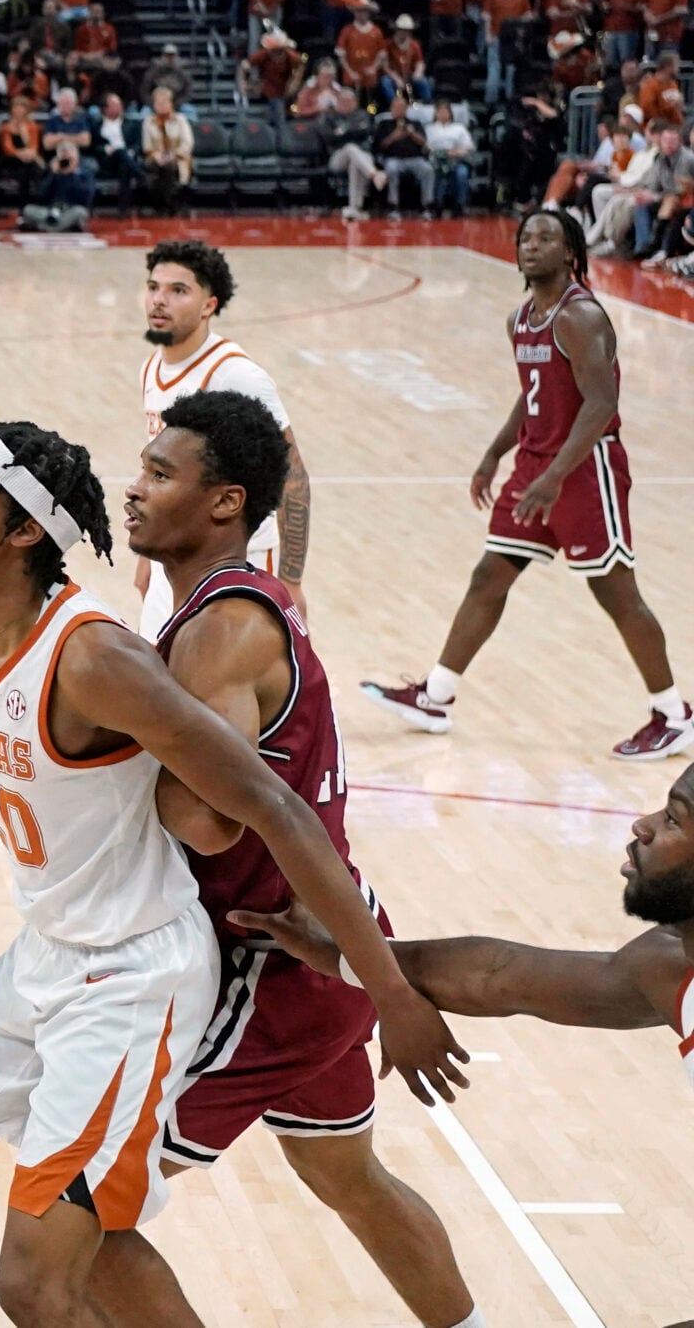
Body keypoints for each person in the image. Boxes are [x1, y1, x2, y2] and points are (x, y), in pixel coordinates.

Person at [0, 424, 464, 1328]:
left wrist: (392, 988)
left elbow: (264, 810)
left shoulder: (110, 660)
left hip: (148, 969)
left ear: (25, 530)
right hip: (52, 951)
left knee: (49, 1266)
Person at [97, 393, 482, 1328]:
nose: (133, 489)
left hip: (270, 968)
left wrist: (103, 760)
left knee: (81, 1209)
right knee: (346, 1172)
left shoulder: (220, 629)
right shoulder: (247, 605)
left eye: (159, 474)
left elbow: (206, 820)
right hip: (329, 939)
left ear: (225, 503)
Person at [364, 206, 688, 758]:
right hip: (537, 467)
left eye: (545, 238)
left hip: (586, 470)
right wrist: (496, 452)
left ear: (570, 252)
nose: (530, 245)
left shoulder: (580, 316)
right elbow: (534, 391)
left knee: (615, 591)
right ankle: (436, 696)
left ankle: (674, 713)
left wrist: (557, 475)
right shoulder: (521, 319)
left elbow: (601, 402)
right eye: (524, 237)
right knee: (489, 574)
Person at [231, 762, 694, 1100]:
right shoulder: (666, 964)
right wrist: (346, 958)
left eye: (673, 818)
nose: (643, 825)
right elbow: (500, 976)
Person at [135, 239, 308, 635]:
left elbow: (292, 477)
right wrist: (149, 550)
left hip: (237, 561)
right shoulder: (151, 367)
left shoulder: (236, 376)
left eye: (178, 291)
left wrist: (291, 580)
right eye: (153, 287)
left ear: (209, 305)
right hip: (175, 552)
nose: (159, 300)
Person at [139, 87, 193, 213]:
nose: (161, 106)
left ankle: (167, 204)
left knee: (170, 166)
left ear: (171, 103)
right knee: (157, 167)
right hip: (155, 157)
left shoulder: (181, 120)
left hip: (177, 157)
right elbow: (147, 146)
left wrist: (172, 155)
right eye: (158, 103)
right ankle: (161, 203)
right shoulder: (148, 122)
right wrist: (157, 156)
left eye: (164, 103)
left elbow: (187, 144)